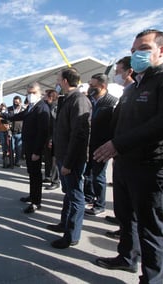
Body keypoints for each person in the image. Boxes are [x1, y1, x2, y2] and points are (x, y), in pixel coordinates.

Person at [93, 29, 163, 283]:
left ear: (161, 50)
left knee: (151, 230)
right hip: (126, 165)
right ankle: (127, 258)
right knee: (126, 217)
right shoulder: (133, 87)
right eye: (133, 51)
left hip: (156, 168)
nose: (136, 55)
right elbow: (118, 124)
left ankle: (151, 279)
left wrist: (119, 143)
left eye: (143, 48)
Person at [46, 67, 91, 248]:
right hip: (63, 156)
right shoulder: (67, 100)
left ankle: (71, 235)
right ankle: (64, 224)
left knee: (75, 196)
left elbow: (80, 135)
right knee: (68, 194)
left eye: (58, 79)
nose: (56, 83)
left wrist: (69, 163)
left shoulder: (80, 100)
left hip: (71, 159)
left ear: (65, 81)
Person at [3, 82, 50, 213]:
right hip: (28, 146)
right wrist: (2, 115)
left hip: (35, 148)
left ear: (40, 93)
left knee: (36, 175)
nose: (30, 95)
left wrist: (37, 151)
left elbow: (43, 132)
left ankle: (36, 202)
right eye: (28, 93)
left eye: (33, 92)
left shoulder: (42, 107)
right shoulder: (31, 107)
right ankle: (32, 196)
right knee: (31, 173)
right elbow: (18, 116)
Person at [105, 56, 136, 239]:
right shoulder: (127, 93)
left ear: (128, 72)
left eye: (118, 72)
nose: (116, 75)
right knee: (123, 201)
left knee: (132, 203)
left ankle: (130, 245)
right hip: (120, 153)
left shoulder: (135, 93)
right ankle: (123, 227)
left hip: (129, 154)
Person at [83, 73, 118, 216]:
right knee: (88, 173)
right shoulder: (89, 100)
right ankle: (89, 197)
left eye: (93, 85)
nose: (90, 87)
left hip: (102, 146)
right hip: (88, 144)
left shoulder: (112, 102)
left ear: (102, 86)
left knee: (98, 175)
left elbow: (115, 126)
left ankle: (100, 204)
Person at [43, 89, 60, 190]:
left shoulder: (55, 107)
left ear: (51, 97)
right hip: (48, 137)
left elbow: (54, 125)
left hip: (53, 138)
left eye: (45, 96)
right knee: (48, 159)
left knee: (54, 161)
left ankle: (55, 181)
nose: (44, 98)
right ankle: (48, 176)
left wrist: (51, 139)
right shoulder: (49, 106)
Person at [7, 96, 25, 166]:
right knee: (11, 148)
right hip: (11, 132)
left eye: (17, 102)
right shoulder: (9, 109)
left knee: (18, 149)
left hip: (20, 132)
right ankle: (11, 162)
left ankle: (16, 162)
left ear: (20, 102)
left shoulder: (23, 109)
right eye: (14, 102)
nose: (16, 103)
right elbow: (6, 119)